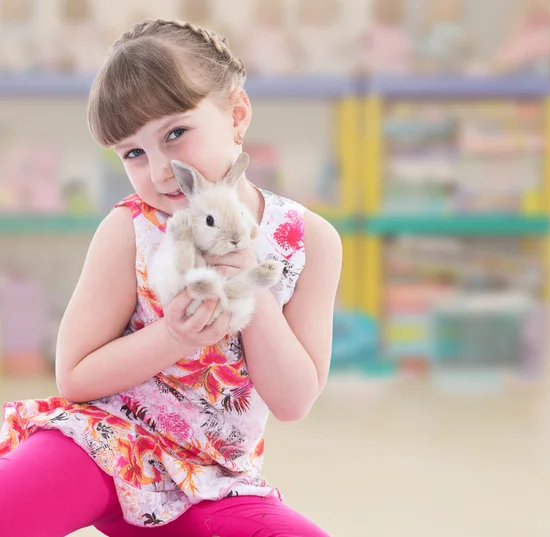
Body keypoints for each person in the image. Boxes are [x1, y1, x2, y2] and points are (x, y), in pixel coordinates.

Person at [0, 19, 341, 537]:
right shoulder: (131, 228)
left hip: (213, 481)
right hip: (102, 444)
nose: (159, 170)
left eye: (175, 134)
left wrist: (252, 283)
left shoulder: (308, 240)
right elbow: (75, 376)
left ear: (237, 114)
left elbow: (294, 400)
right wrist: (173, 337)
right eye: (134, 153)